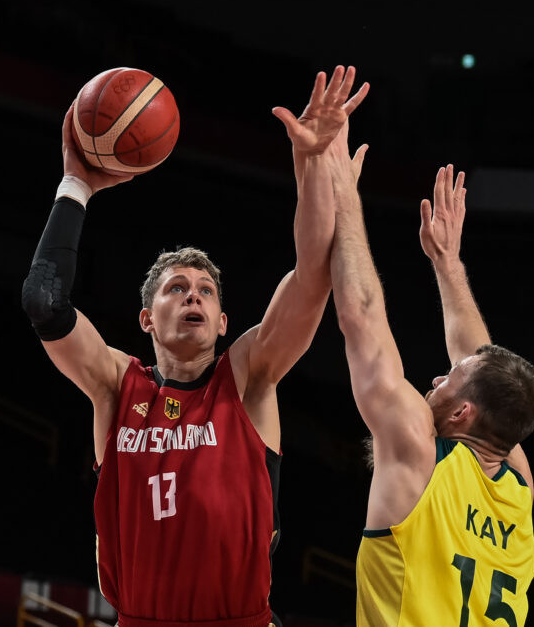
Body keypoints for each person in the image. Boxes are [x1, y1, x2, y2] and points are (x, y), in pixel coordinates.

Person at [21, 66, 368, 627]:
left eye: (206, 291)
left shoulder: (249, 375)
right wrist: (76, 186)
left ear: (223, 321)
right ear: (146, 319)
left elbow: (312, 276)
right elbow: (44, 302)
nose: (193, 296)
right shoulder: (115, 385)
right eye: (177, 288)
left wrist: (309, 165)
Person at [328, 161, 534, 626]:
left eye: (448, 377)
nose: (436, 380)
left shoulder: (419, 455)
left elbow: (361, 317)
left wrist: (343, 195)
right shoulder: (518, 487)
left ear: (463, 412)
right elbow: (483, 370)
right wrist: (447, 262)